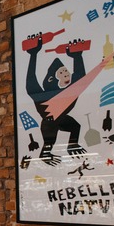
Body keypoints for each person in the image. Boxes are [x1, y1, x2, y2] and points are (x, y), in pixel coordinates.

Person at [25, 34, 87, 166]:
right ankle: (45, 152)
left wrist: (77, 57)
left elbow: (80, 78)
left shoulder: (68, 93)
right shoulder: (43, 96)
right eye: (62, 73)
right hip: (49, 122)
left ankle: (72, 145)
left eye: (67, 72)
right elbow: (31, 81)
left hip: (62, 118)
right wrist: (33, 55)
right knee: (49, 140)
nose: (67, 75)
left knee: (75, 126)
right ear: (52, 79)